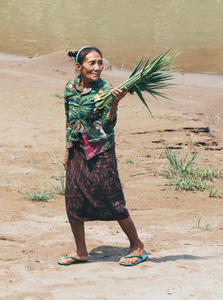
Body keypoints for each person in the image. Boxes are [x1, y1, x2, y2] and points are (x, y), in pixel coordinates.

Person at [58, 46, 147, 267]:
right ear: (79, 67)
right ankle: (81, 251)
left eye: (100, 63)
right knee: (73, 199)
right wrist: (67, 150)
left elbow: (108, 124)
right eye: (92, 63)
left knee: (113, 199)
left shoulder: (105, 90)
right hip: (77, 148)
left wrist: (115, 103)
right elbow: (69, 120)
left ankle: (137, 245)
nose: (98, 67)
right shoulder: (70, 88)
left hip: (100, 150)